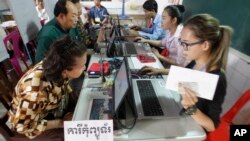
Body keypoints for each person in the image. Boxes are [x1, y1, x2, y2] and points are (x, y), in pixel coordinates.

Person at [142, 14, 233, 132]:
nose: (182, 48)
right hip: (181, 113)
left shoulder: (217, 79)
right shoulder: (196, 63)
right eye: (181, 42)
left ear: (205, 45)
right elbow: (184, 74)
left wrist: (190, 108)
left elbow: (211, 126)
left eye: (186, 44)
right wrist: (159, 70)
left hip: (192, 128)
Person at [8, 35, 88, 139]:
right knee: (77, 135)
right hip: (29, 126)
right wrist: (59, 123)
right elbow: (22, 127)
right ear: (65, 70)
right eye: (82, 66)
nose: (85, 68)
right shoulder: (35, 92)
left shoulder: (57, 65)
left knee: (83, 107)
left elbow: (63, 89)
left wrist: (71, 112)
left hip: (48, 110)